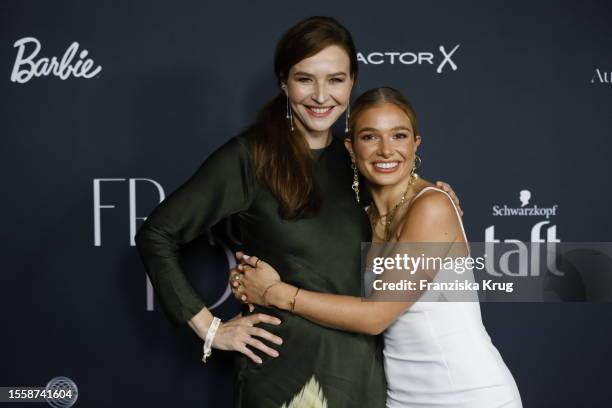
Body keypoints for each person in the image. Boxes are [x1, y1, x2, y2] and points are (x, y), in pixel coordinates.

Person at [231, 87, 523, 408]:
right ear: (351, 148)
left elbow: (376, 317)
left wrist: (275, 293)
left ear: (416, 144)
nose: (386, 150)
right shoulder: (360, 219)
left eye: (399, 136)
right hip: (400, 398)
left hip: (467, 394)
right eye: (370, 137)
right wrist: (250, 277)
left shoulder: (432, 206)